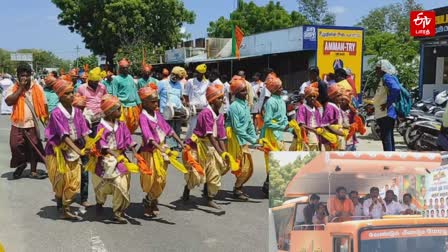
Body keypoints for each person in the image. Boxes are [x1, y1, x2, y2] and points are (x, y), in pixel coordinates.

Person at [44, 79, 91, 220]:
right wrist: (79, 151)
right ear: (60, 96)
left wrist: (91, 146)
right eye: (68, 94)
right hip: (58, 152)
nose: (72, 96)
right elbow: (64, 136)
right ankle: (63, 207)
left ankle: (65, 205)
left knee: (74, 181)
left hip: (74, 150)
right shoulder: (56, 113)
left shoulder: (77, 111)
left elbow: (84, 131)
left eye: (72, 93)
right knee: (60, 181)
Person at [138, 85, 184, 218]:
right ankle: (149, 201)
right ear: (144, 103)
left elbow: (168, 129)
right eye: (152, 101)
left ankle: (151, 199)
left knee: (161, 179)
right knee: (152, 179)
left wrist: (181, 143)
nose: (156, 103)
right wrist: (160, 148)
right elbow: (148, 136)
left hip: (161, 150)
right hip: (150, 152)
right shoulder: (143, 117)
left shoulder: (157, 114)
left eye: (156, 101)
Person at [92, 94, 138, 224]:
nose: (121, 111)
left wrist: (135, 153)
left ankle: (117, 212)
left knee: (121, 184)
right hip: (104, 160)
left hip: (120, 160)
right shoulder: (100, 126)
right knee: (102, 186)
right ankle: (99, 203)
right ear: (111, 111)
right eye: (119, 109)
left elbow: (128, 139)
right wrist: (113, 154)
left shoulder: (121, 125)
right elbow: (101, 144)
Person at [182, 85, 227, 211]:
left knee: (215, 173)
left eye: (223, 98)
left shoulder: (221, 115)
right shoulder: (206, 113)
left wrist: (224, 154)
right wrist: (220, 151)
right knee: (196, 174)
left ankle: (209, 198)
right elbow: (210, 135)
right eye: (220, 98)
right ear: (212, 100)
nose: (222, 101)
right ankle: (187, 190)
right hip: (199, 146)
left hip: (212, 146)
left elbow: (221, 136)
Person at [5, 62, 48, 179]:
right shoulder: (13, 88)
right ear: (18, 76)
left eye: (26, 75)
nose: (24, 78)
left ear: (30, 75)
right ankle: (22, 164)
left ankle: (33, 171)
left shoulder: (37, 87)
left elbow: (44, 105)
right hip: (17, 124)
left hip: (32, 123)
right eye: (21, 75)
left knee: (33, 148)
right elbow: (9, 102)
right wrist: (21, 89)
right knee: (15, 146)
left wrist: (46, 122)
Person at [77, 67, 108, 207]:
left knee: (100, 159)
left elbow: (106, 102)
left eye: (97, 83)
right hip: (85, 126)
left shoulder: (102, 87)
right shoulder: (81, 88)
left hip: (99, 125)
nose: (95, 85)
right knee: (85, 161)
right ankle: (84, 197)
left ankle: (100, 197)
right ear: (88, 79)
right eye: (92, 82)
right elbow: (78, 106)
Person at [226, 76, 258, 200]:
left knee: (247, 168)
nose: (246, 93)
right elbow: (237, 129)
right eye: (243, 91)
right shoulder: (234, 107)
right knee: (235, 167)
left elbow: (249, 123)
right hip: (235, 140)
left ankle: (238, 188)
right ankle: (209, 187)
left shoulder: (245, 105)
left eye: (246, 90)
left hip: (243, 139)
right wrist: (253, 140)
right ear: (236, 93)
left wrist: (255, 138)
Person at [260, 74, 288, 196]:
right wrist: (282, 126)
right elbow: (267, 121)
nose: (282, 89)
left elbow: (284, 117)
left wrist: (290, 127)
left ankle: (268, 186)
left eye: (281, 87)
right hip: (271, 135)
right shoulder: (271, 102)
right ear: (275, 89)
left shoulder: (281, 100)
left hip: (279, 135)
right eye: (280, 87)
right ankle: (269, 187)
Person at [373, 59, 401, 151]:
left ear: (382, 68)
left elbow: (396, 89)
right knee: (388, 138)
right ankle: (391, 158)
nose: (376, 71)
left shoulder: (387, 77)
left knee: (386, 138)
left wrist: (387, 104)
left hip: (386, 113)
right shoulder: (386, 77)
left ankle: (388, 161)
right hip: (386, 113)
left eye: (377, 68)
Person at [158, 66, 185, 151]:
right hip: (166, 111)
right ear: (172, 74)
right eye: (176, 76)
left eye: (179, 78)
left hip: (177, 110)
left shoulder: (179, 84)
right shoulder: (162, 83)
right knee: (168, 129)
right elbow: (156, 96)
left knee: (177, 128)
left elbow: (180, 97)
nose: (177, 79)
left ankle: (176, 145)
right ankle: (169, 146)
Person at [111, 58, 141, 133]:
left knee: (133, 126)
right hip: (122, 106)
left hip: (133, 106)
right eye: (123, 68)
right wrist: (115, 107)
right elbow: (114, 95)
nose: (125, 69)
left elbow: (134, 91)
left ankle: (128, 141)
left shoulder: (130, 77)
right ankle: (125, 142)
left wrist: (139, 103)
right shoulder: (116, 79)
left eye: (126, 68)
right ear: (120, 69)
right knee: (122, 127)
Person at [184, 64, 210, 140]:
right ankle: (188, 141)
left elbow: (208, 93)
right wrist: (188, 104)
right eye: (196, 72)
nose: (196, 74)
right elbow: (185, 94)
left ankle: (202, 141)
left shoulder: (207, 82)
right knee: (193, 126)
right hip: (194, 108)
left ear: (202, 73)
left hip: (204, 107)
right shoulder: (190, 81)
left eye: (198, 72)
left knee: (207, 123)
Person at [294, 86, 322, 151]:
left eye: (314, 96)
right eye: (310, 96)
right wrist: (315, 130)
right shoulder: (302, 108)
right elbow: (301, 125)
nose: (312, 98)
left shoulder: (317, 109)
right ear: (306, 98)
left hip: (316, 136)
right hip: (306, 135)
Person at [321, 85, 345, 151]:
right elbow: (325, 124)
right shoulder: (330, 107)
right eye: (338, 96)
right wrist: (338, 132)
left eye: (341, 95)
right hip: (331, 137)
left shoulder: (338, 106)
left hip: (337, 135)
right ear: (332, 97)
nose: (341, 98)